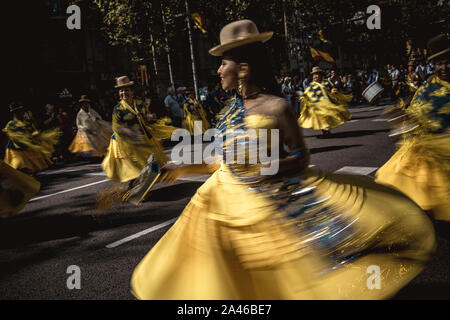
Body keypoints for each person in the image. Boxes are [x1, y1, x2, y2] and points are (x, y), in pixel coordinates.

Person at [131, 19, 435, 300]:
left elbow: (301, 157)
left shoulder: (277, 108)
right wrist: (181, 167)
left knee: (280, 277)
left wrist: (272, 167)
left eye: (223, 63)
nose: (219, 70)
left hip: (266, 202)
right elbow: (222, 161)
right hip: (218, 204)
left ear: (244, 69)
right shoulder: (225, 113)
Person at [376, 33, 450, 222]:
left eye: (447, 61)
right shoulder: (427, 87)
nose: (443, 68)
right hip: (429, 153)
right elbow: (414, 116)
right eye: (438, 63)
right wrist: (401, 117)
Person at [102, 76, 175, 184]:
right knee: (134, 165)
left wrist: (150, 117)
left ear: (132, 91)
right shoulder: (118, 109)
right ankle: (135, 185)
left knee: (152, 157)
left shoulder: (139, 104)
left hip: (141, 136)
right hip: (125, 141)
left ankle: (149, 179)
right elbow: (116, 127)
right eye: (121, 90)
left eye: (126, 90)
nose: (124, 93)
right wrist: (129, 132)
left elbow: (145, 116)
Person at [3, 103, 60, 173]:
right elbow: (10, 135)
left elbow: (33, 131)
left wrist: (35, 135)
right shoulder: (11, 124)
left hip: (27, 146)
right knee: (19, 164)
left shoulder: (27, 122)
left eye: (22, 111)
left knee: (30, 165)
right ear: (15, 113)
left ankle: (30, 176)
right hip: (16, 149)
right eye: (19, 111)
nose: (22, 113)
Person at [297, 66, 352, 136]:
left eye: (317, 74)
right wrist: (303, 97)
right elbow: (306, 94)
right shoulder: (311, 85)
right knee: (321, 117)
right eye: (314, 74)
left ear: (321, 75)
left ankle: (326, 129)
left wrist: (333, 91)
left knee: (328, 115)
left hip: (327, 103)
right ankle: (325, 129)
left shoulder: (326, 82)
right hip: (317, 105)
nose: (315, 76)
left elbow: (331, 89)